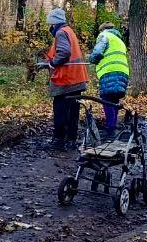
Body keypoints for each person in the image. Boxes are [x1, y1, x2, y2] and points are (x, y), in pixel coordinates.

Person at [42, 8, 89, 150]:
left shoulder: (61, 33)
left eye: (50, 23)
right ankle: (71, 140)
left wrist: (52, 63)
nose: (49, 27)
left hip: (66, 81)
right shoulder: (69, 31)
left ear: (54, 23)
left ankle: (59, 141)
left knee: (61, 111)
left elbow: (64, 53)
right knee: (73, 113)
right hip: (76, 79)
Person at [89, 22, 129, 140]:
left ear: (103, 30)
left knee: (106, 99)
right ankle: (113, 126)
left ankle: (111, 129)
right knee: (114, 100)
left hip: (109, 72)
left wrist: (91, 59)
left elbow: (97, 53)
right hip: (123, 72)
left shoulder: (104, 36)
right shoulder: (119, 40)